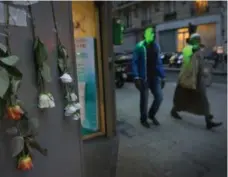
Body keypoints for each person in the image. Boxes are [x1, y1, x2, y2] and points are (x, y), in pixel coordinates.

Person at [170, 33, 222, 130]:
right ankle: (174, 110)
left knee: (203, 99)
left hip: (198, 80)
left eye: (199, 40)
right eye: (196, 40)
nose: (198, 42)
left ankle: (208, 120)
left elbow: (200, 64)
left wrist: (204, 72)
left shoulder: (198, 51)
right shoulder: (188, 50)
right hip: (188, 79)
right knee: (182, 98)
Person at [132, 26, 165, 128]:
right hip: (144, 78)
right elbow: (135, 62)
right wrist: (136, 77)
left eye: (153, 33)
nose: (153, 34)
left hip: (155, 77)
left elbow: (159, 62)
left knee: (159, 97)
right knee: (144, 99)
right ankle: (143, 119)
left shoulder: (156, 46)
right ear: (145, 34)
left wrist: (163, 76)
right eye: (150, 32)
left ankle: (151, 114)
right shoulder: (139, 46)